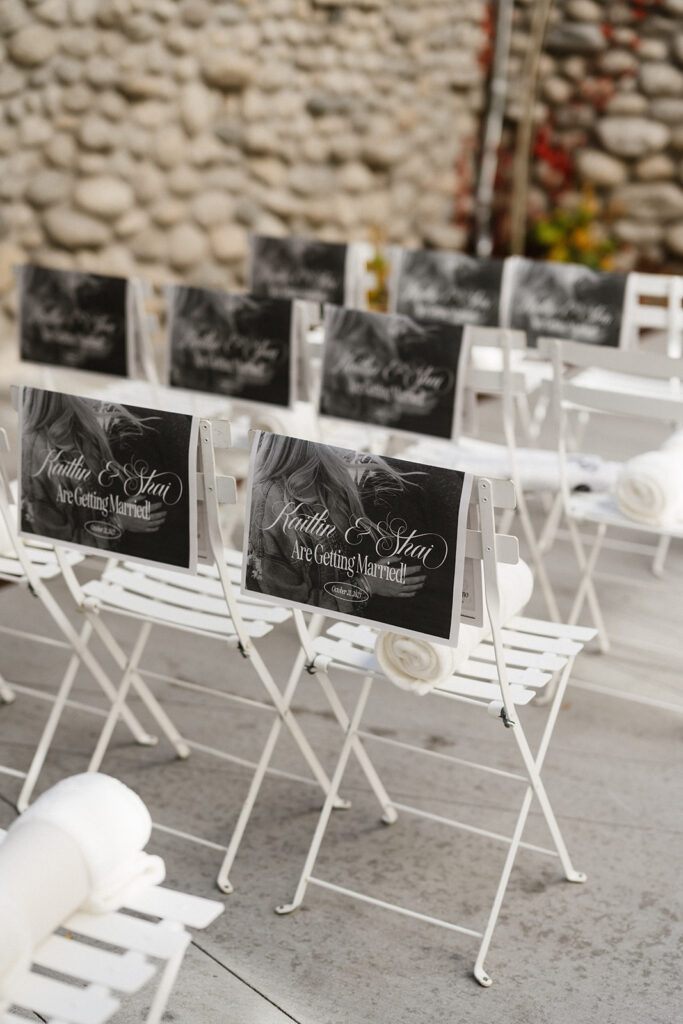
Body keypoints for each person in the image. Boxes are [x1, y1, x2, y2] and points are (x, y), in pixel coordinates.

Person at [246, 434, 427, 616]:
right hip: (308, 624)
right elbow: (291, 606)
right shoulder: (269, 501)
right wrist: (366, 585)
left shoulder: (331, 478)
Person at [21, 390, 166, 549]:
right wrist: (118, 523)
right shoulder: (34, 454)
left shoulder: (85, 428)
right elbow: (58, 542)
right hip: (65, 556)